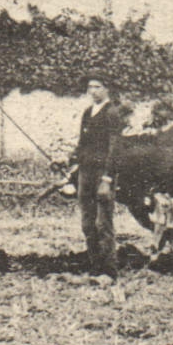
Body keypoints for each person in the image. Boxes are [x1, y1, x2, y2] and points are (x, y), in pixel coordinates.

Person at [73, 76, 123, 278]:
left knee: (103, 223)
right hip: (85, 173)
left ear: (107, 89)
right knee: (87, 223)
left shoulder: (112, 113)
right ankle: (95, 267)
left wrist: (107, 179)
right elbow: (82, 144)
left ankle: (110, 270)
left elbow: (115, 148)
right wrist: (69, 160)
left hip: (102, 175)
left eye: (97, 87)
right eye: (89, 87)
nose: (93, 91)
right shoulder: (87, 112)